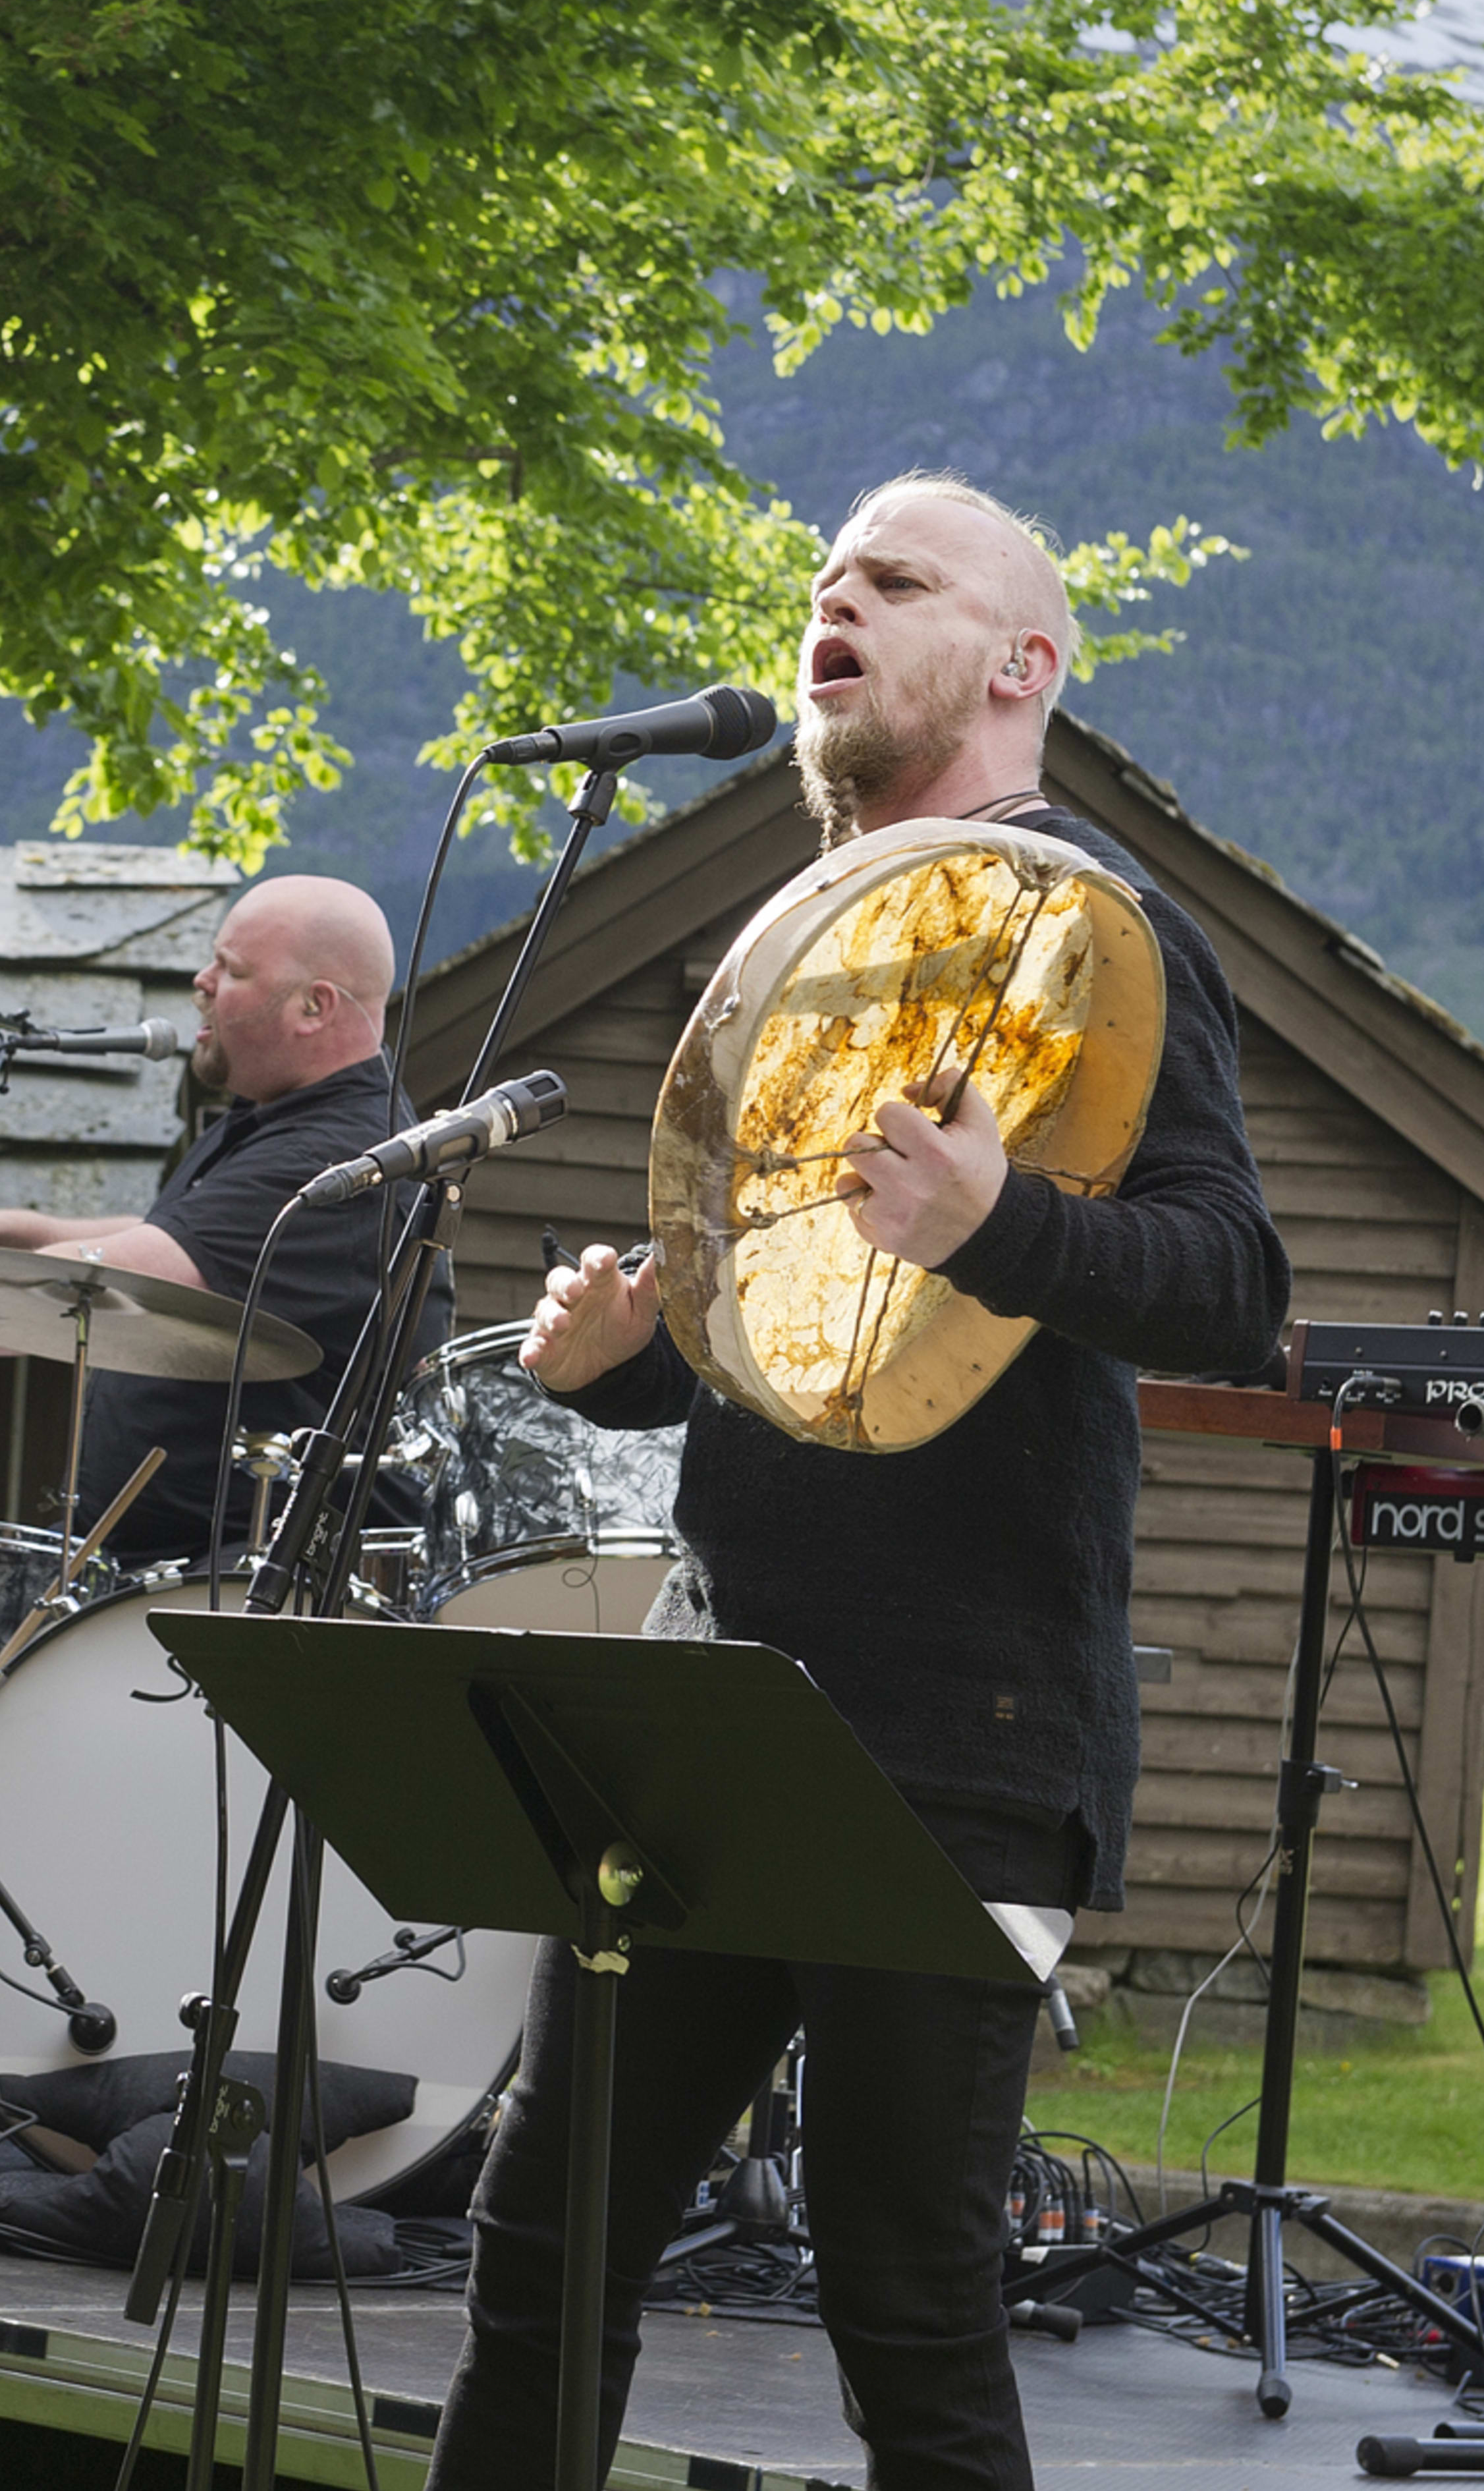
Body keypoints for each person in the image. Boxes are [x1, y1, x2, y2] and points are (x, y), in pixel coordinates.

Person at [425, 472, 1292, 2491]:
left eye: (894, 581)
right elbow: (811, 1359)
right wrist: (643, 1374)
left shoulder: (1091, 921)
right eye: (822, 581)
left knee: (903, 2304)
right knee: (538, 2266)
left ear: (1020, 661)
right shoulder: (812, 932)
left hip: (960, 1730)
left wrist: (1000, 1222)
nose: (836, 601)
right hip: (715, 1699)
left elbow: (1235, 1292)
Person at [0, 874, 453, 1565]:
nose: (200, 981)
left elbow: (93, 1288)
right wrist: (19, 1227)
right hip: (182, 1569)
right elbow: (188, 1239)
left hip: (255, 1586)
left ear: (313, 1007)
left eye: (231, 969)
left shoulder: (333, 1161)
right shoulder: (287, 1122)